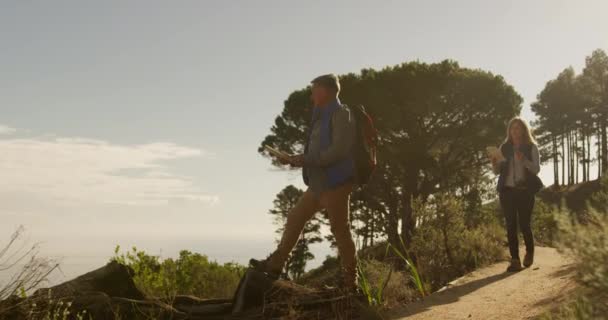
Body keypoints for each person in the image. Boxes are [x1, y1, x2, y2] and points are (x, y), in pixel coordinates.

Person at [251, 74, 359, 291]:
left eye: (314, 90)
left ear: (325, 91)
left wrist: (306, 159)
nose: (311, 95)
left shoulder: (341, 114)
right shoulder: (320, 117)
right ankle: (274, 266)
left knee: (340, 230)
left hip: (336, 183)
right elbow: (317, 152)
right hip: (319, 184)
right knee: (295, 218)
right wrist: (296, 159)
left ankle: (350, 282)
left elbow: (339, 150)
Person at [491, 117, 541, 272]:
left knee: (525, 224)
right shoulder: (504, 148)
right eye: (512, 128)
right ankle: (515, 260)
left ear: (523, 130)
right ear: (509, 131)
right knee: (511, 225)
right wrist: (494, 163)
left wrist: (524, 160)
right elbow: (497, 171)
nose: (515, 131)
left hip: (525, 191)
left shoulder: (531, 147)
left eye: (518, 128)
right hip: (507, 192)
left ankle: (530, 252)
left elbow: (536, 169)